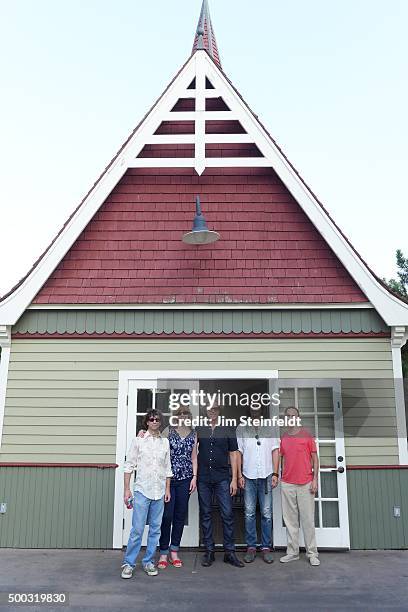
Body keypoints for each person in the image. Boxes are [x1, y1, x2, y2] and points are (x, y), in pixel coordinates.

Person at [121, 409, 172, 579]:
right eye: (151, 419)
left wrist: (167, 489)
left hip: (159, 492)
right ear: (147, 422)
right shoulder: (138, 441)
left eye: (157, 419)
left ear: (160, 422)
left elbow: (167, 468)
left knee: (155, 530)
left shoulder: (165, 443)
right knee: (137, 529)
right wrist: (127, 489)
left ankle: (149, 561)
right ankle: (129, 563)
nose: (154, 421)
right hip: (142, 490)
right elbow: (129, 465)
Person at [196, 403, 244, 568]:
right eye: (209, 409)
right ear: (205, 411)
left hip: (223, 478)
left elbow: (234, 454)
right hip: (203, 478)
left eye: (215, 409)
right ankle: (209, 551)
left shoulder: (228, 429)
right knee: (206, 514)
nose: (212, 411)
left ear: (219, 411)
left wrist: (235, 478)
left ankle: (229, 552)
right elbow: (186, 442)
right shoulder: (199, 429)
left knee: (227, 514)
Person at [237, 407, 280, 564]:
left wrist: (275, 473)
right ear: (249, 410)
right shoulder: (241, 427)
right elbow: (238, 452)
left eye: (258, 407)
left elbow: (276, 451)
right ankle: (251, 547)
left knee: (266, 513)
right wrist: (239, 474)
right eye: (252, 407)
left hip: (267, 475)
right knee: (249, 513)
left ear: (262, 409)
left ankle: (266, 547)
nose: (255, 410)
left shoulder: (270, 427)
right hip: (248, 475)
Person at [279, 406, 320, 566]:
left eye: (293, 415)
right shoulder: (284, 437)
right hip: (287, 484)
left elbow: (315, 459)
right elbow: (282, 458)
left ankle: (312, 553)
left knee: (308, 520)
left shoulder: (307, 435)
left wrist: (315, 479)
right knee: (290, 521)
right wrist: (281, 477)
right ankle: (292, 552)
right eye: (288, 415)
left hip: (305, 483)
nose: (290, 418)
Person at [157, 407, 198, 569]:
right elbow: (157, 448)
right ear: (176, 416)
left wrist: (195, 477)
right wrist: (143, 434)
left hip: (186, 479)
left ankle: (174, 551)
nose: (182, 416)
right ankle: (163, 552)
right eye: (180, 414)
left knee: (180, 515)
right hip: (168, 479)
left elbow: (194, 457)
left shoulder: (194, 434)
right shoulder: (169, 431)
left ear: (189, 416)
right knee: (167, 516)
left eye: (185, 414)